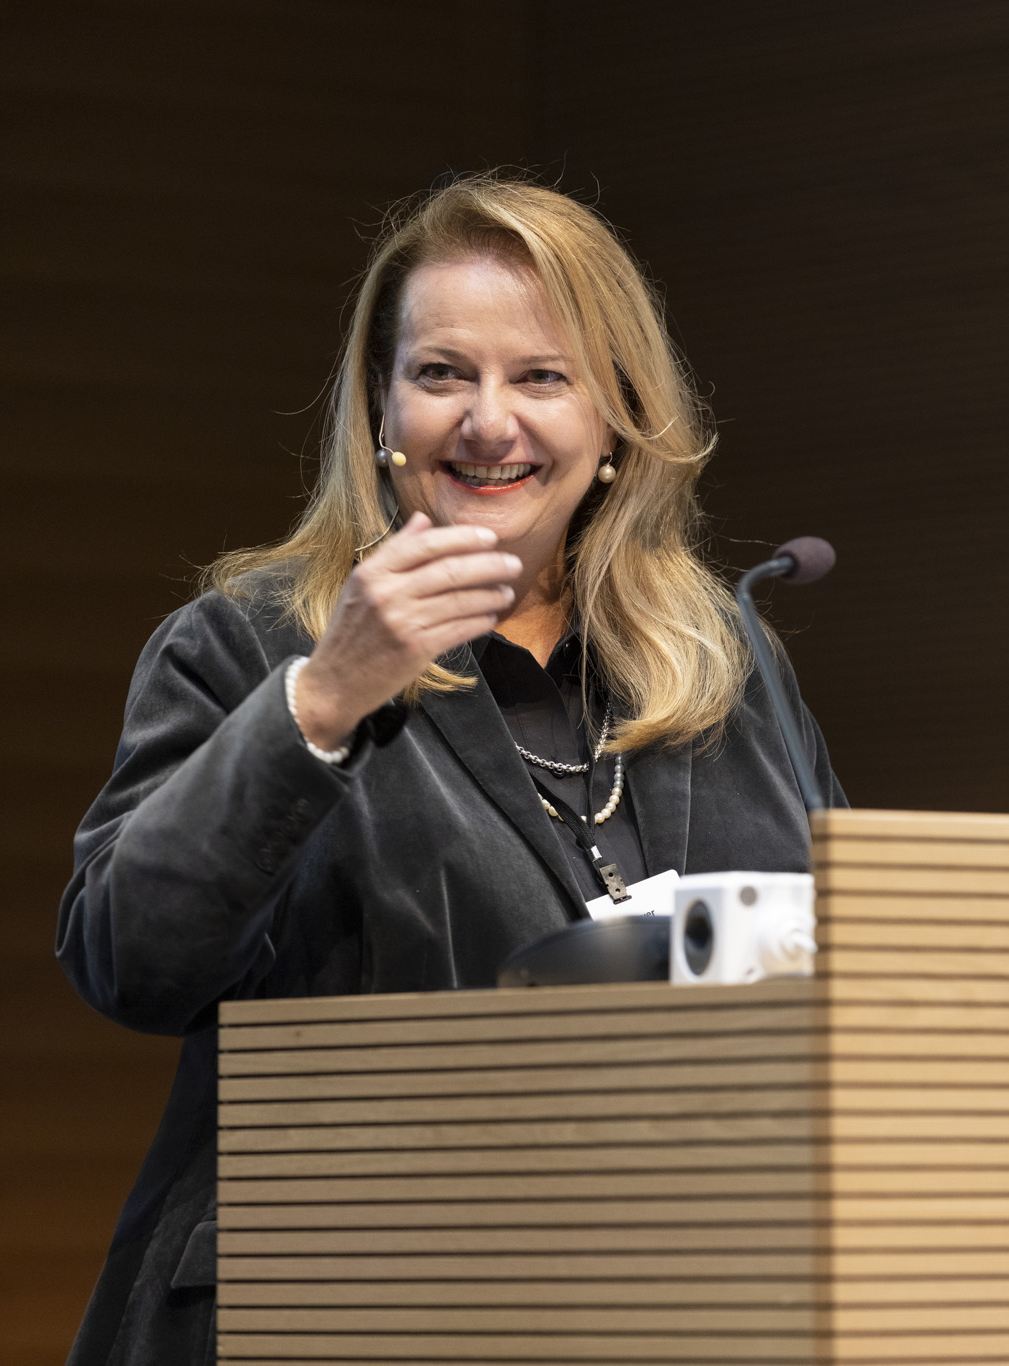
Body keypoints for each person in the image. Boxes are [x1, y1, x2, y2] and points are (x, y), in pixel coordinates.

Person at [54, 175, 844, 1365]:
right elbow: (130, 957)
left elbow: (851, 976)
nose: (488, 422)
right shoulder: (254, 644)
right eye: (440, 375)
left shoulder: (725, 667)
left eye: (540, 376)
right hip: (337, 1305)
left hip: (673, 1301)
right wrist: (325, 699)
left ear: (618, 417)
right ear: (380, 411)